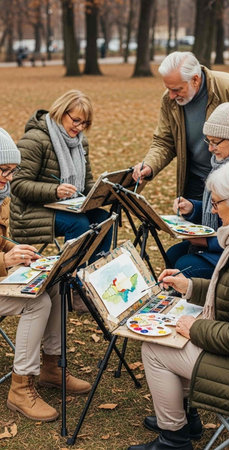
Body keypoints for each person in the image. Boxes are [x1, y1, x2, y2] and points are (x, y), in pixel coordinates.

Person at [128, 157, 229, 450]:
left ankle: (174, 439)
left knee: (156, 347)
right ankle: (186, 419)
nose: (211, 209)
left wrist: (196, 329)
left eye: (217, 202)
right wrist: (190, 287)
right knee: (171, 333)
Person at [0, 128, 91, 422]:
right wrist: (4, 260)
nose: (9, 178)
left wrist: (13, 247)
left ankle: (51, 367)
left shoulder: (1, 192)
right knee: (35, 302)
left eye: (12, 171)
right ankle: (20, 386)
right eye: (3, 170)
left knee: (53, 285)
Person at [132, 51, 229, 201]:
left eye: (176, 89)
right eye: (168, 89)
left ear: (195, 80)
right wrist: (150, 165)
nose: (171, 95)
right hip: (195, 179)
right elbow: (164, 141)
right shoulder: (169, 100)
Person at [10, 89, 112, 263]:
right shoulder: (35, 140)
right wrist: (55, 190)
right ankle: (71, 280)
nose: (79, 128)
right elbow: (17, 184)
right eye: (76, 120)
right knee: (78, 223)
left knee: (104, 219)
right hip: (29, 211)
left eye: (85, 123)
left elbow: (86, 182)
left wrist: (104, 190)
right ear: (61, 112)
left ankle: (92, 273)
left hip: (66, 206)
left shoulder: (80, 142)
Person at [166, 102, 229, 279]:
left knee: (184, 266)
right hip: (222, 239)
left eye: (215, 142)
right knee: (173, 254)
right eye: (208, 141)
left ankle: (197, 301)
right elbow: (220, 208)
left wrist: (207, 242)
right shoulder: (223, 160)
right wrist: (193, 208)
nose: (210, 148)